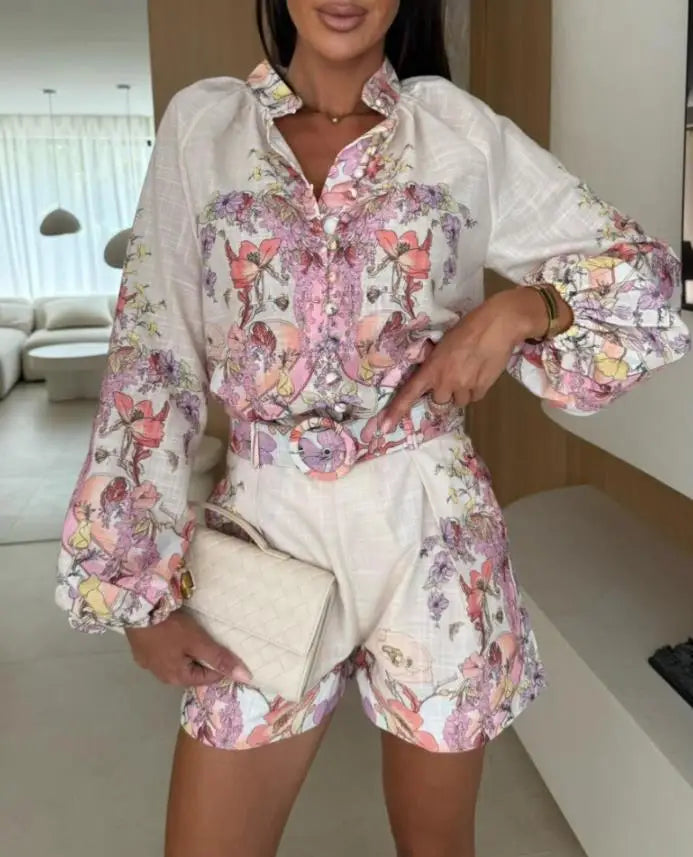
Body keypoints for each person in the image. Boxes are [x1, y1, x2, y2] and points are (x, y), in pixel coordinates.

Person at [55, 1, 691, 855]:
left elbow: (646, 277)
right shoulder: (205, 128)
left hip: (430, 525)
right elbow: (153, 350)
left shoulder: (454, 131)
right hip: (265, 526)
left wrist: (518, 310)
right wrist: (137, 589)